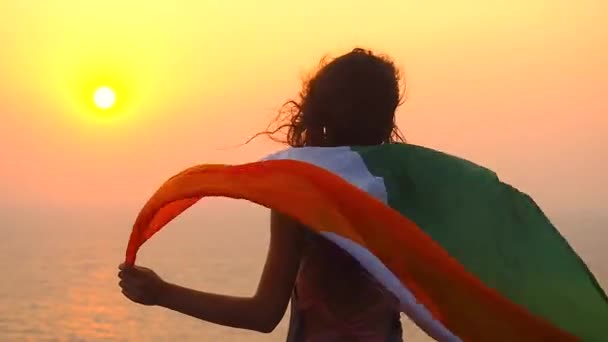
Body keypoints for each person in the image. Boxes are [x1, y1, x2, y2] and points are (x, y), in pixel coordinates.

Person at [118, 48, 408, 341]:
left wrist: (161, 292)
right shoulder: (403, 189)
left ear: (320, 113)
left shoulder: (301, 193)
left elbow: (264, 314)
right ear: (386, 118)